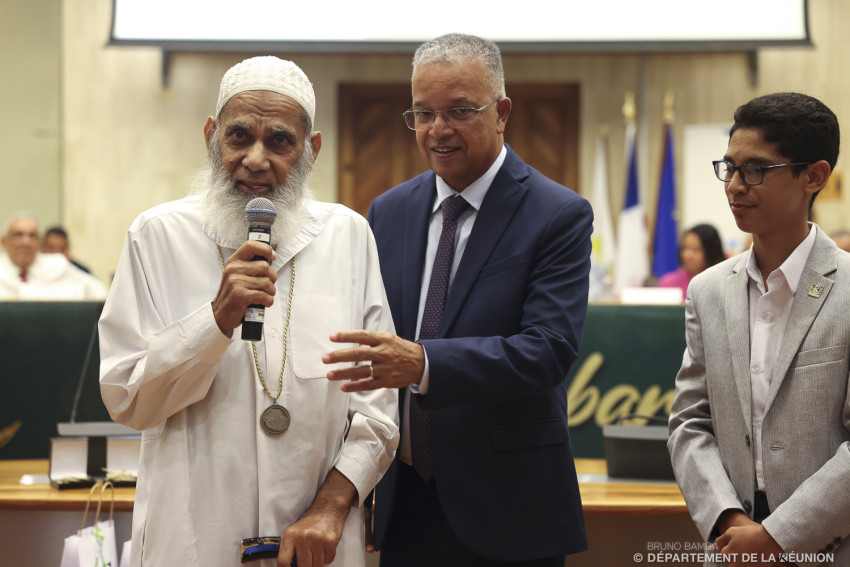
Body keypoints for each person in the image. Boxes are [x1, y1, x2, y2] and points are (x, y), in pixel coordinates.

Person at [98, 56, 399, 567]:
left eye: (279, 141)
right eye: (239, 136)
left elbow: (378, 407)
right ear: (211, 136)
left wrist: (331, 507)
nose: (255, 160)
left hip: (313, 545)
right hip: (193, 543)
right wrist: (214, 321)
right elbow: (128, 400)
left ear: (312, 150)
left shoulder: (348, 236)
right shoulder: (156, 235)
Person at [322, 33, 591, 566]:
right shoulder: (388, 211)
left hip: (509, 509)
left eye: (460, 111)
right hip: (405, 503)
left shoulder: (558, 213)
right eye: (423, 113)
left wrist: (424, 363)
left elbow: (547, 350)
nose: (438, 129)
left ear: (502, 113)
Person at [668, 92, 850, 567]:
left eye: (755, 170)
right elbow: (690, 422)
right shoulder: (707, 290)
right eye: (730, 167)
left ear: (814, 176)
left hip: (831, 546)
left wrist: (776, 537)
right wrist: (730, 520)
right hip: (733, 546)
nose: (734, 186)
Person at [0, 213, 106, 300]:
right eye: (18, 235)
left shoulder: (57, 265)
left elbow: (99, 291)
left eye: (32, 236)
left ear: (40, 242)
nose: (26, 242)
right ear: (4, 241)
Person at [657, 223, 725, 300]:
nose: (687, 255)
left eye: (695, 249)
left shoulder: (723, 283)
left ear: (711, 252)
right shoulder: (669, 283)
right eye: (685, 248)